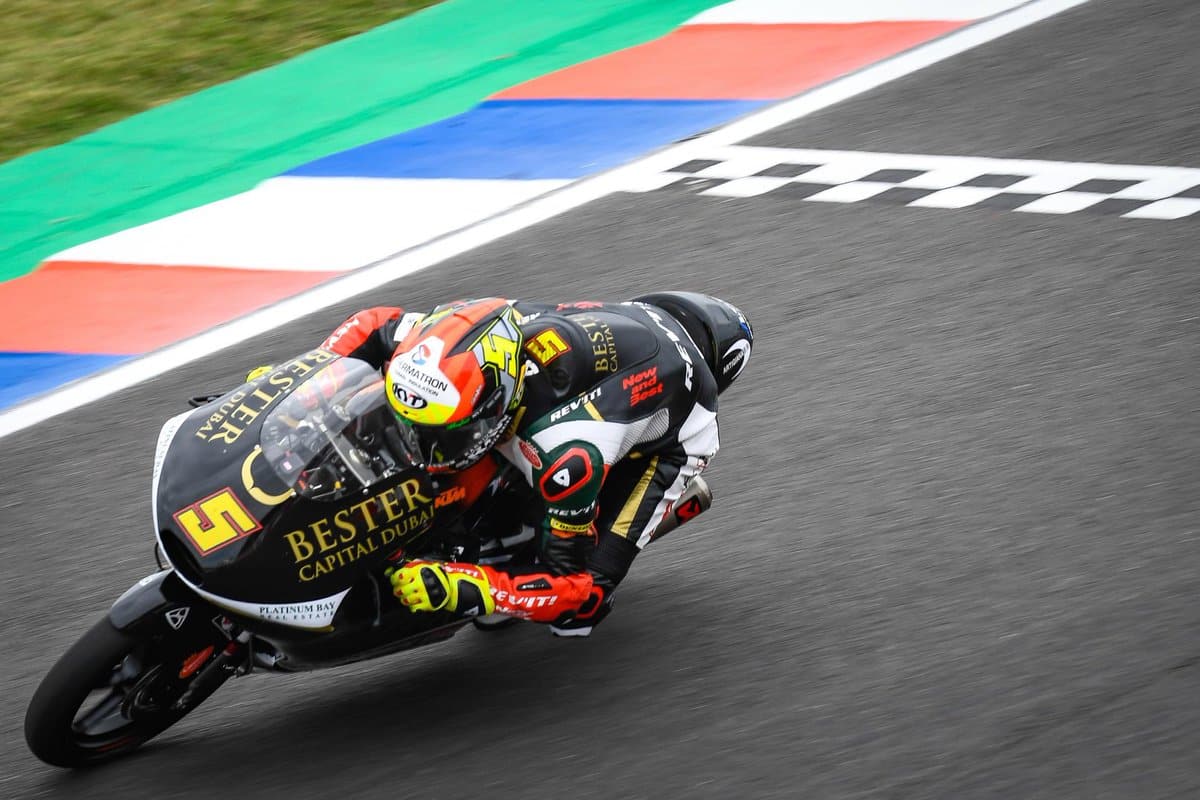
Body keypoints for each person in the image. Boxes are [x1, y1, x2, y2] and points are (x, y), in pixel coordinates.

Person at [318, 293, 753, 636]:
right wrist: (316, 375)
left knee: (583, 608)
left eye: (443, 437)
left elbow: (572, 587)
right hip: (599, 358)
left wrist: (466, 587)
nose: (421, 447)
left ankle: (645, 510)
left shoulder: (569, 451)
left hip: (670, 438)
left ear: (495, 406)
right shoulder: (460, 334)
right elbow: (373, 322)